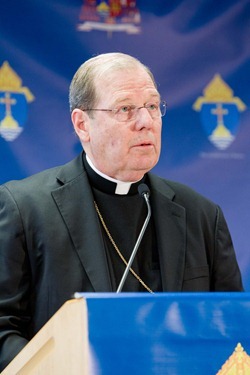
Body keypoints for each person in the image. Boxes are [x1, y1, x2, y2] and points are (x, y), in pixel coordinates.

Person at [0, 52, 243, 370]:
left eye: (153, 107)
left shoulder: (201, 215)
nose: (146, 122)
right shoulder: (25, 208)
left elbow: (232, 330)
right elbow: (3, 329)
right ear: (82, 124)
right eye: (126, 109)